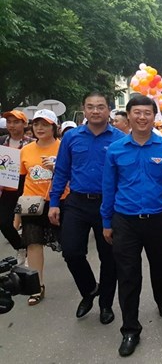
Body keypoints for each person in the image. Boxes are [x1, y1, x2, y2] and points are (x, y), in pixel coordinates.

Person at [101, 95, 162, 357]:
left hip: (159, 218)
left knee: (160, 266)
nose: (142, 117)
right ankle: (130, 329)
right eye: (136, 112)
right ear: (128, 116)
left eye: (147, 113)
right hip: (125, 220)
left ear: (154, 117)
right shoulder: (116, 149)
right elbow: (109, 187)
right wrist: (106, 221)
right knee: (128, 275)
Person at [48, 92, 125, 324]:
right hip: (77, 203)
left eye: (100, 106)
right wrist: (54, 203)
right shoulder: (71, 137)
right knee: (71, 251)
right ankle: (90, 289)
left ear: (108, 109)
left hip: (108, 204)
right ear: (84, 109)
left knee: (109, 257)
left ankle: (105, 305)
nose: (95, 111)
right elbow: (61, 171)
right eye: (90, 107)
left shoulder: (119, 139)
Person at [18, 109, 68, 306]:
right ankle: (36, 286)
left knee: (71, 246)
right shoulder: (26, 150)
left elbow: (75, 175)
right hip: (32, 202)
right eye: (36, 124)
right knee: (33, 243)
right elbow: (21, 179)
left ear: (54, 127)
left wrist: (57, 168)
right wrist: (16, 214)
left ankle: (84, 280)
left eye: (45, 124)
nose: (40, 128)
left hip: (61, 201)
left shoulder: (64, 147)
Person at [0, 110, 32, 259]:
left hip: (26, 187)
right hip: (6, 189)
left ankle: (32, 253)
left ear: (24, 124)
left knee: (30, 224)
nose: (12, 125)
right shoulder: (1, 141)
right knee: (4, 223)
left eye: (16, 122)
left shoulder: (31, 144)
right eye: (9, 122)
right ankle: (20, 246)